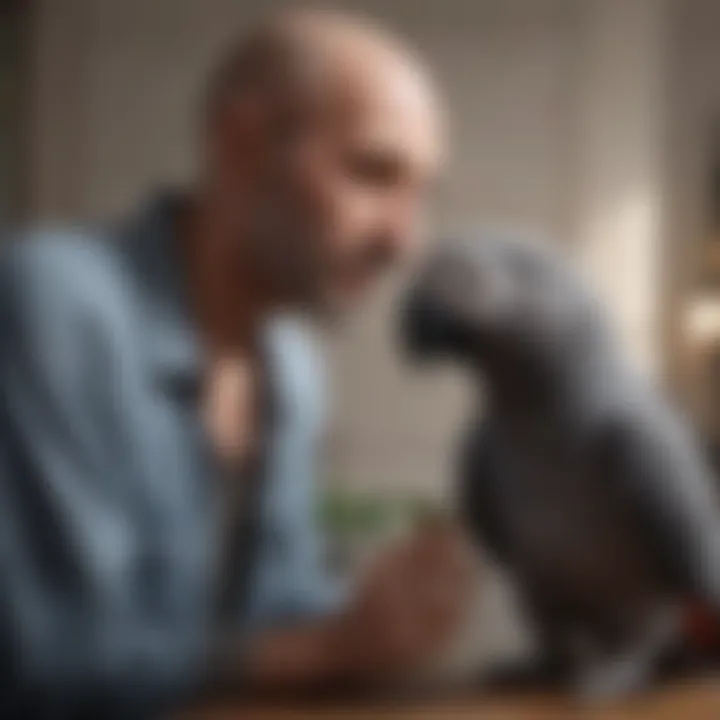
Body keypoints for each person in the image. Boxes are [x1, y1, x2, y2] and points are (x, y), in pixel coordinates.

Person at [0, 8, 473, 718]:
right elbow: (46, 657)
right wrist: (328, 647)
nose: (404, 240)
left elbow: (276, 611)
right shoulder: (51, 306)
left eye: (421, 193)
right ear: (241, 141)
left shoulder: (294, 369)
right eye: (374, 173)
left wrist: (385, 615)